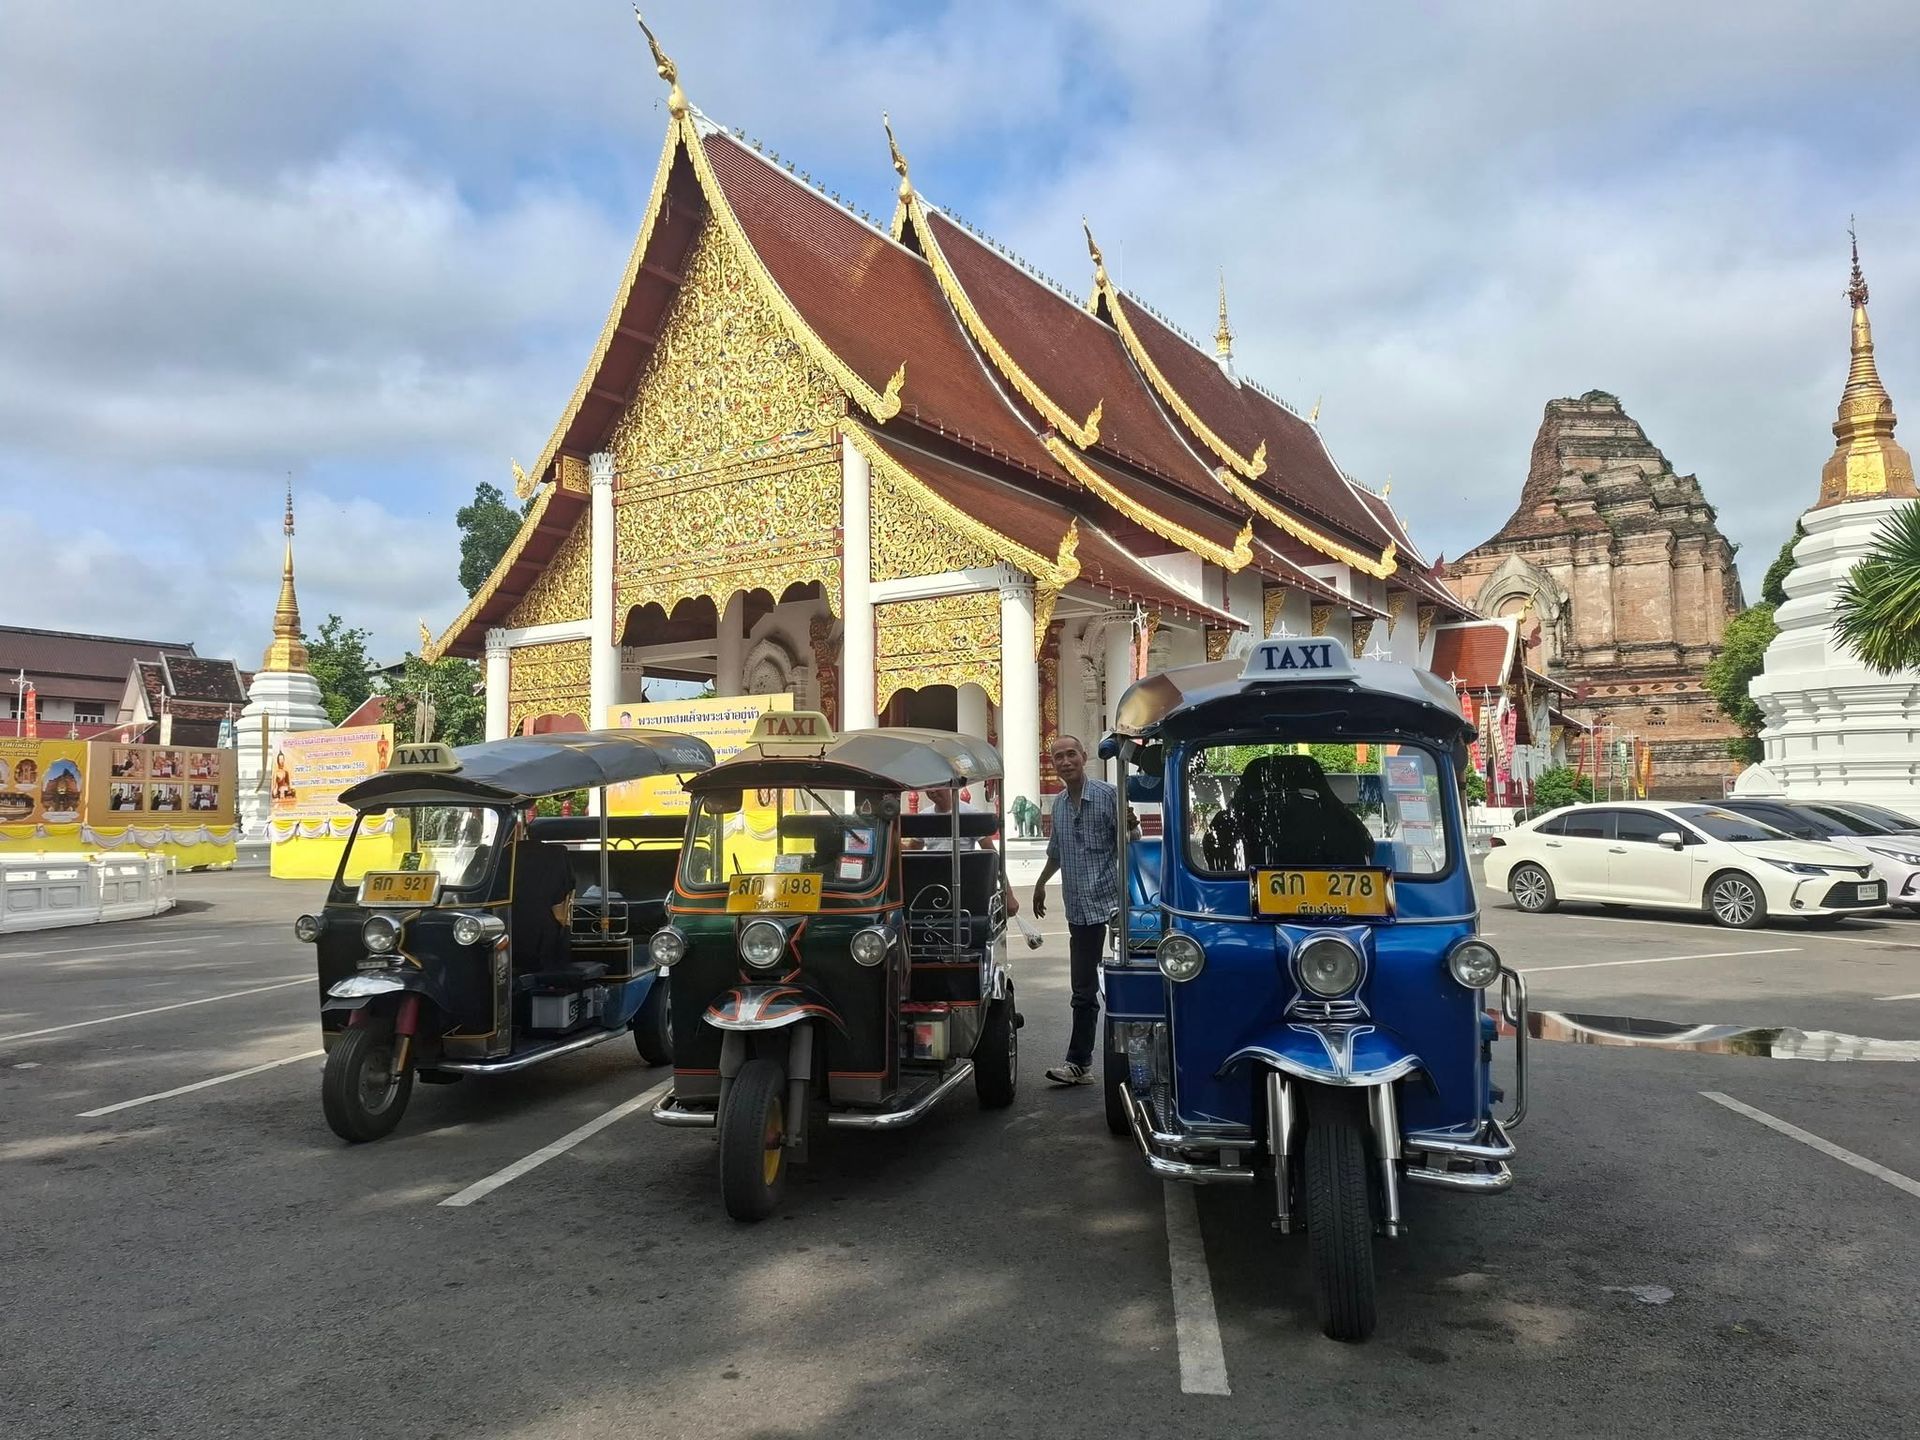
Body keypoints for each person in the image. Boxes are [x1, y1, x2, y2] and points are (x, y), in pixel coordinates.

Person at [1031, 734, 1135, 1085]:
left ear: (1084, 756)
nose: (1065, 761)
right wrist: (1041, 883)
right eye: (1058, 757)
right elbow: (1056, 852)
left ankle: (1142, 1064)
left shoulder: (1108, 796)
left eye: (1071, 754)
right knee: (1083, 992)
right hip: (1079, 909)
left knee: (1133, 981)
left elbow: (1129, 844)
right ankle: (1079, 1064)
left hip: (1116, 904)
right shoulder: (1058, 805)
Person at [509, 808, 576, 974]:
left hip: (511, 927)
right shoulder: (557, 856)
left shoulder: (500, 857)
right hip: (543, 933)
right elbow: (564, 892)